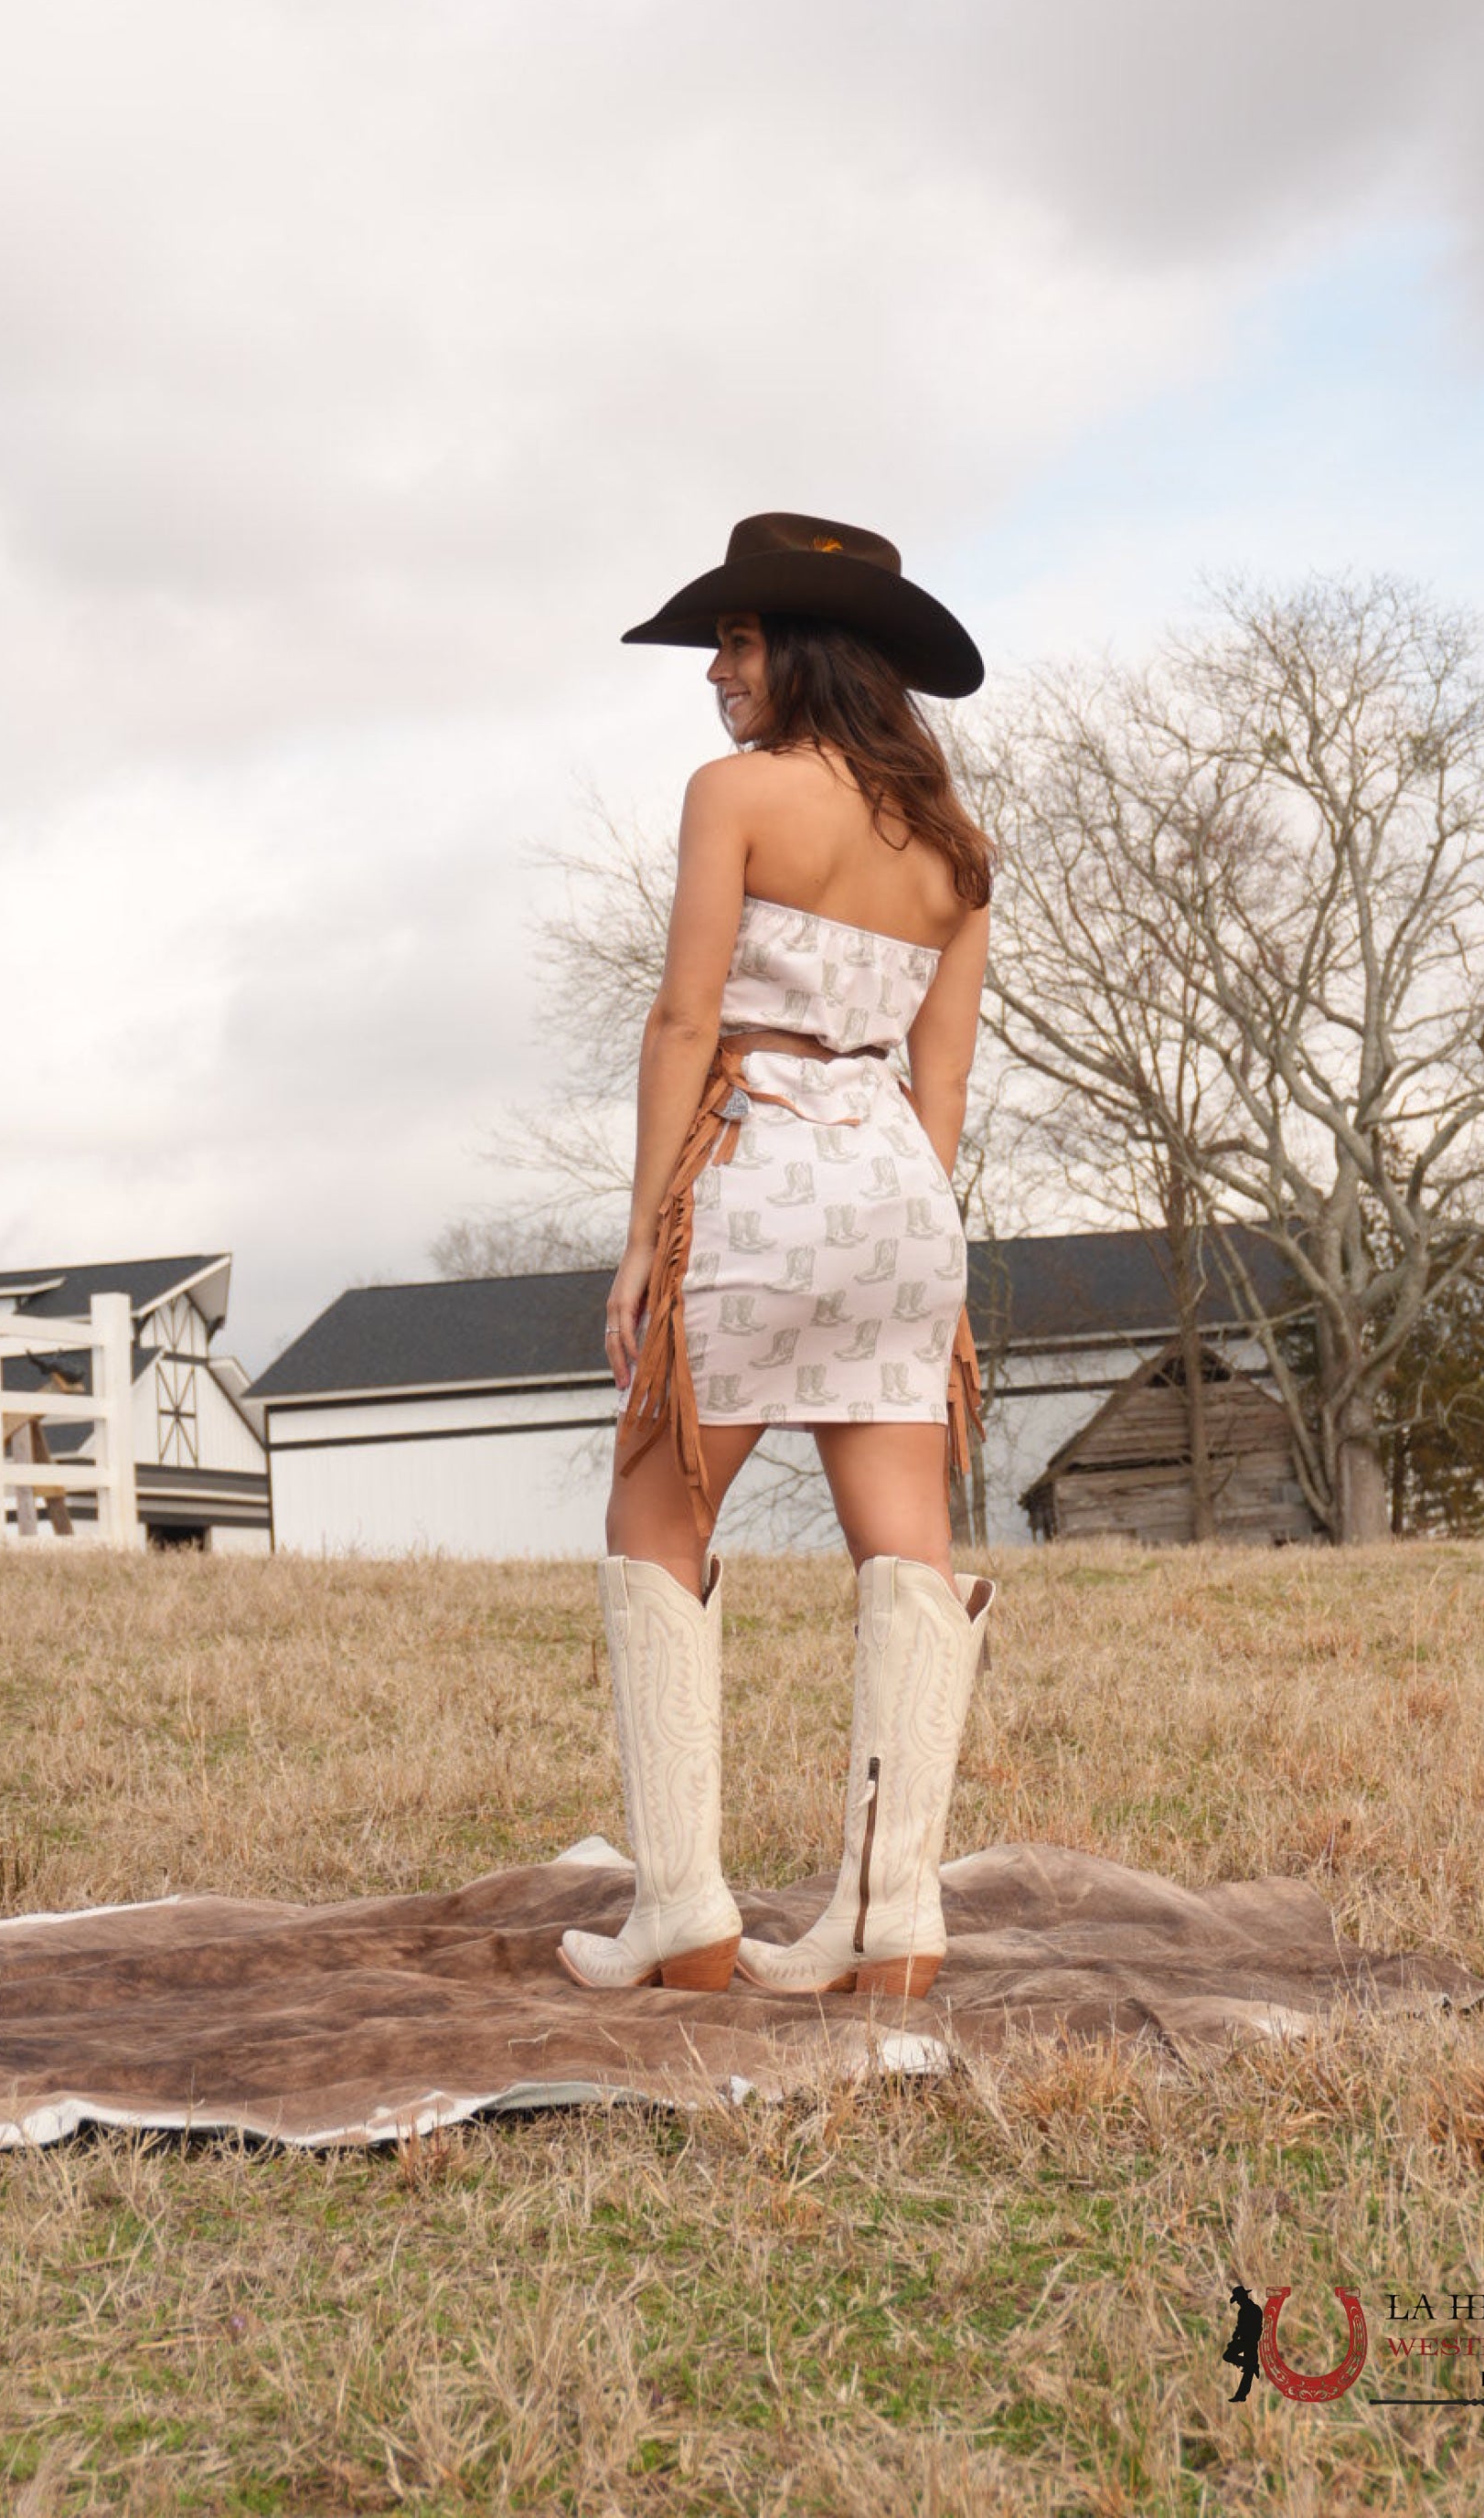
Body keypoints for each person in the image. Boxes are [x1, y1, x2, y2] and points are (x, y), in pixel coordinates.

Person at [556, 511, 997, 2001]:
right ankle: (890, 1917)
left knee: (654, 1511)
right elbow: (943, 1079)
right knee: (907, 1545)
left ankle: (682, 1908)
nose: (715, 673)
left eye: (736, 643)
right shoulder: (955, 851)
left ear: (807, 651)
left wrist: (642, 1237)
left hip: (754, 1168)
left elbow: (685, 1018)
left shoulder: (734, 794)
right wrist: (892, 1225)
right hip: (898, 1190)